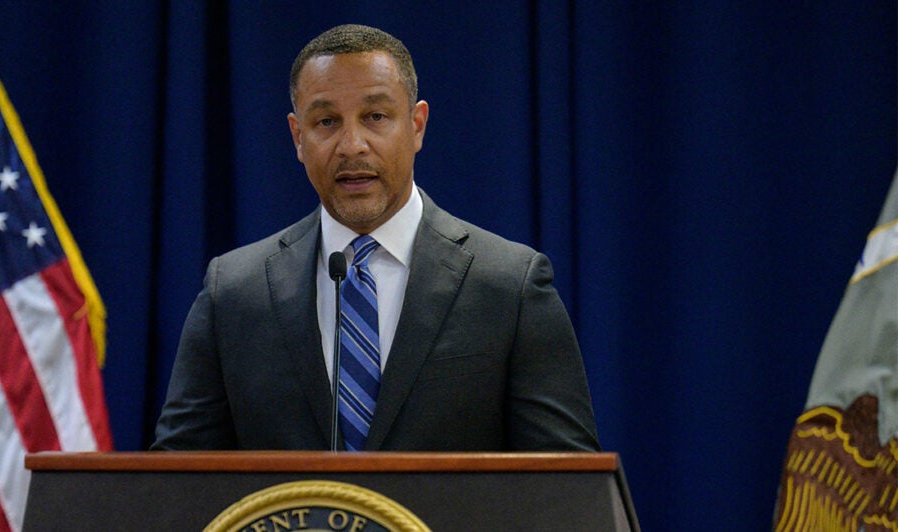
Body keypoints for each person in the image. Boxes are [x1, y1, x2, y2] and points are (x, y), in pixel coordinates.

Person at [152, 24, 600, 452]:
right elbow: (177, 484)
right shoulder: (232, 291)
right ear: (298, 138)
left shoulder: (509, 286)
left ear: (417, 125)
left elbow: (566, 489)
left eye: (376, 116)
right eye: (326, 122)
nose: (352, 145)